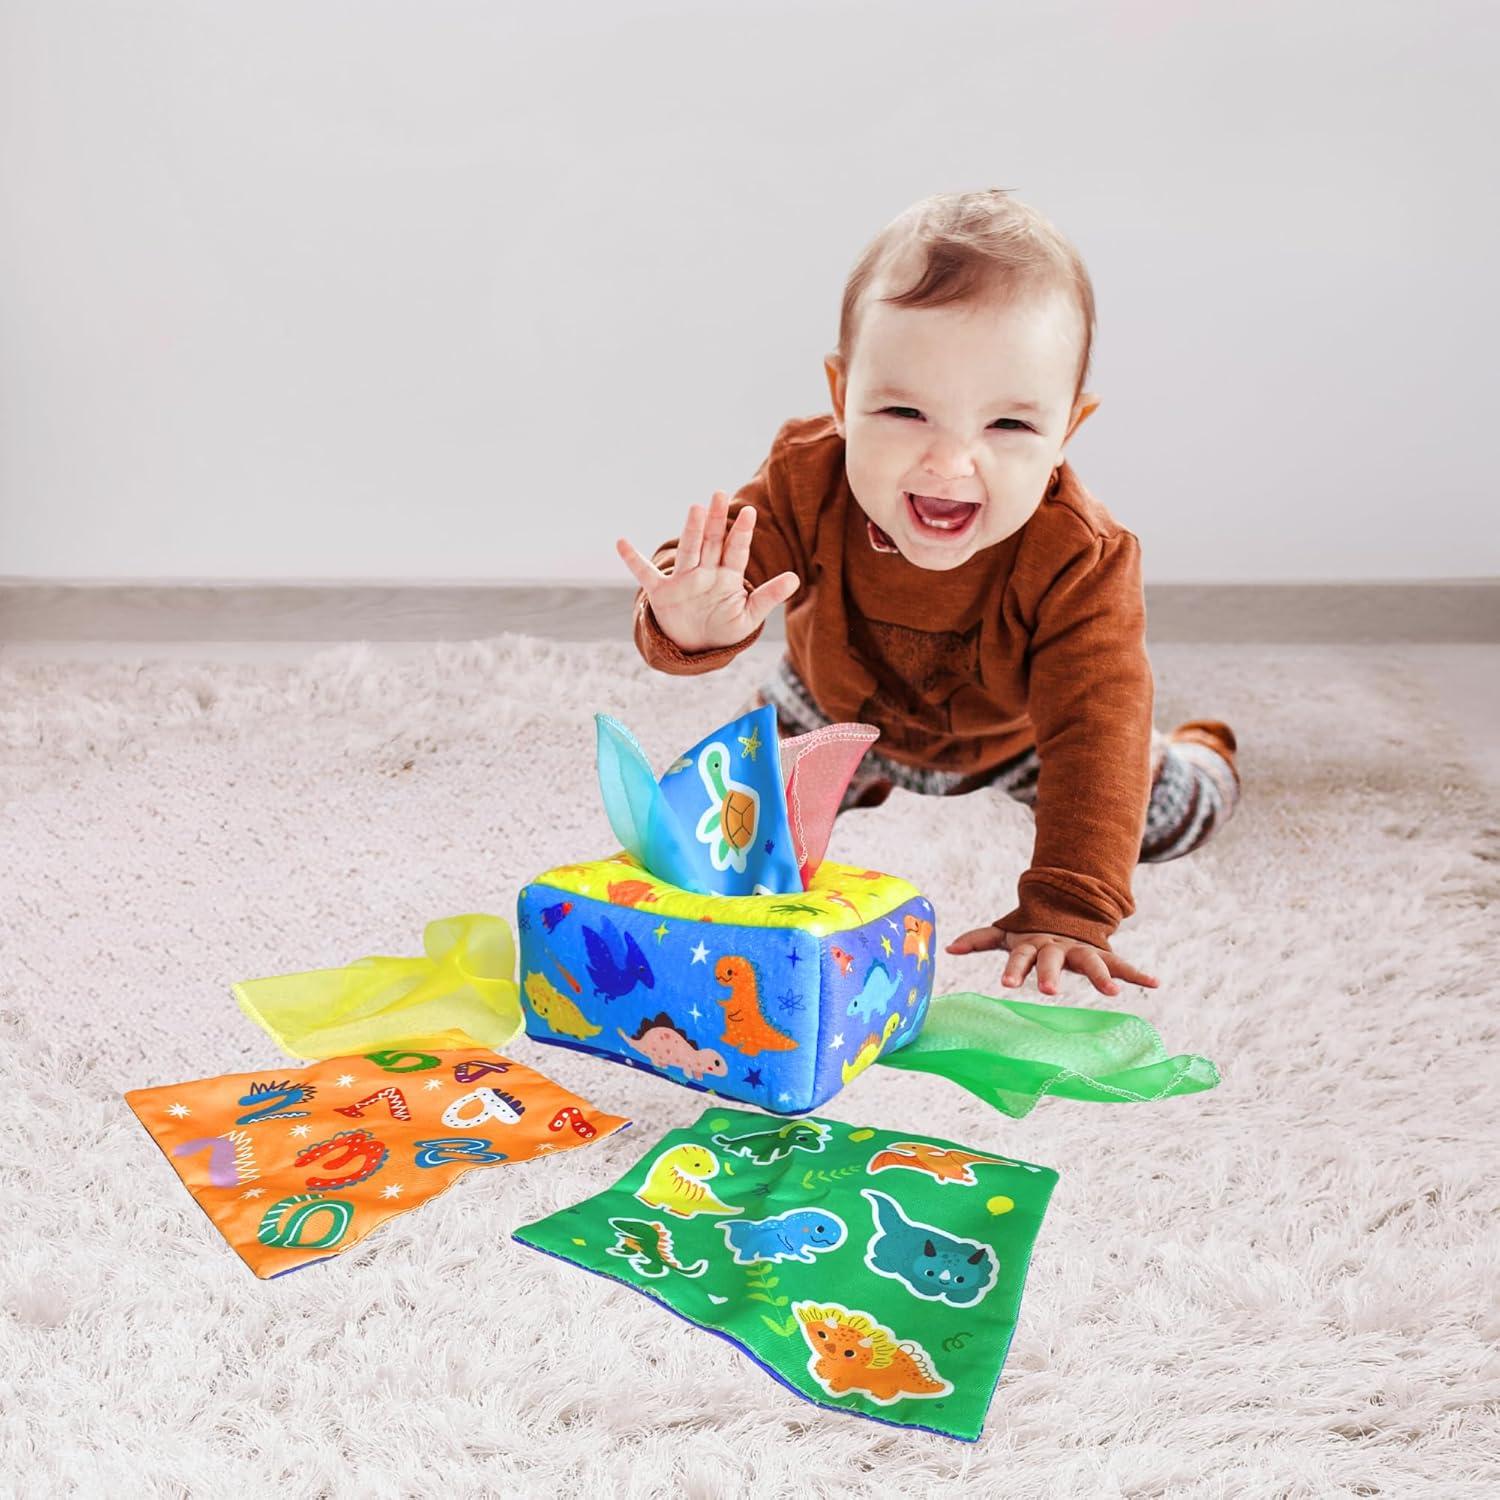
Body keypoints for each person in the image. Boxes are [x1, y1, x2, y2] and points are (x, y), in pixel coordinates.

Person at [617, 189, 1239, 1000]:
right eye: (906, 411)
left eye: (1009, 427)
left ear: (1066, 431)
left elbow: (1093, 728)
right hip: (830, 703)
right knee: (724, 824)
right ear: (842, 400)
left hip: (1014, 737)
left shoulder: (1080, 556)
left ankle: (1203, 752)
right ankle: (829, 786)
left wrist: (1067, 905)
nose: (950, 464)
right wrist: (690, 618)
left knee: (1153, 821)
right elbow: (729, 561)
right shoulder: (807, 477)